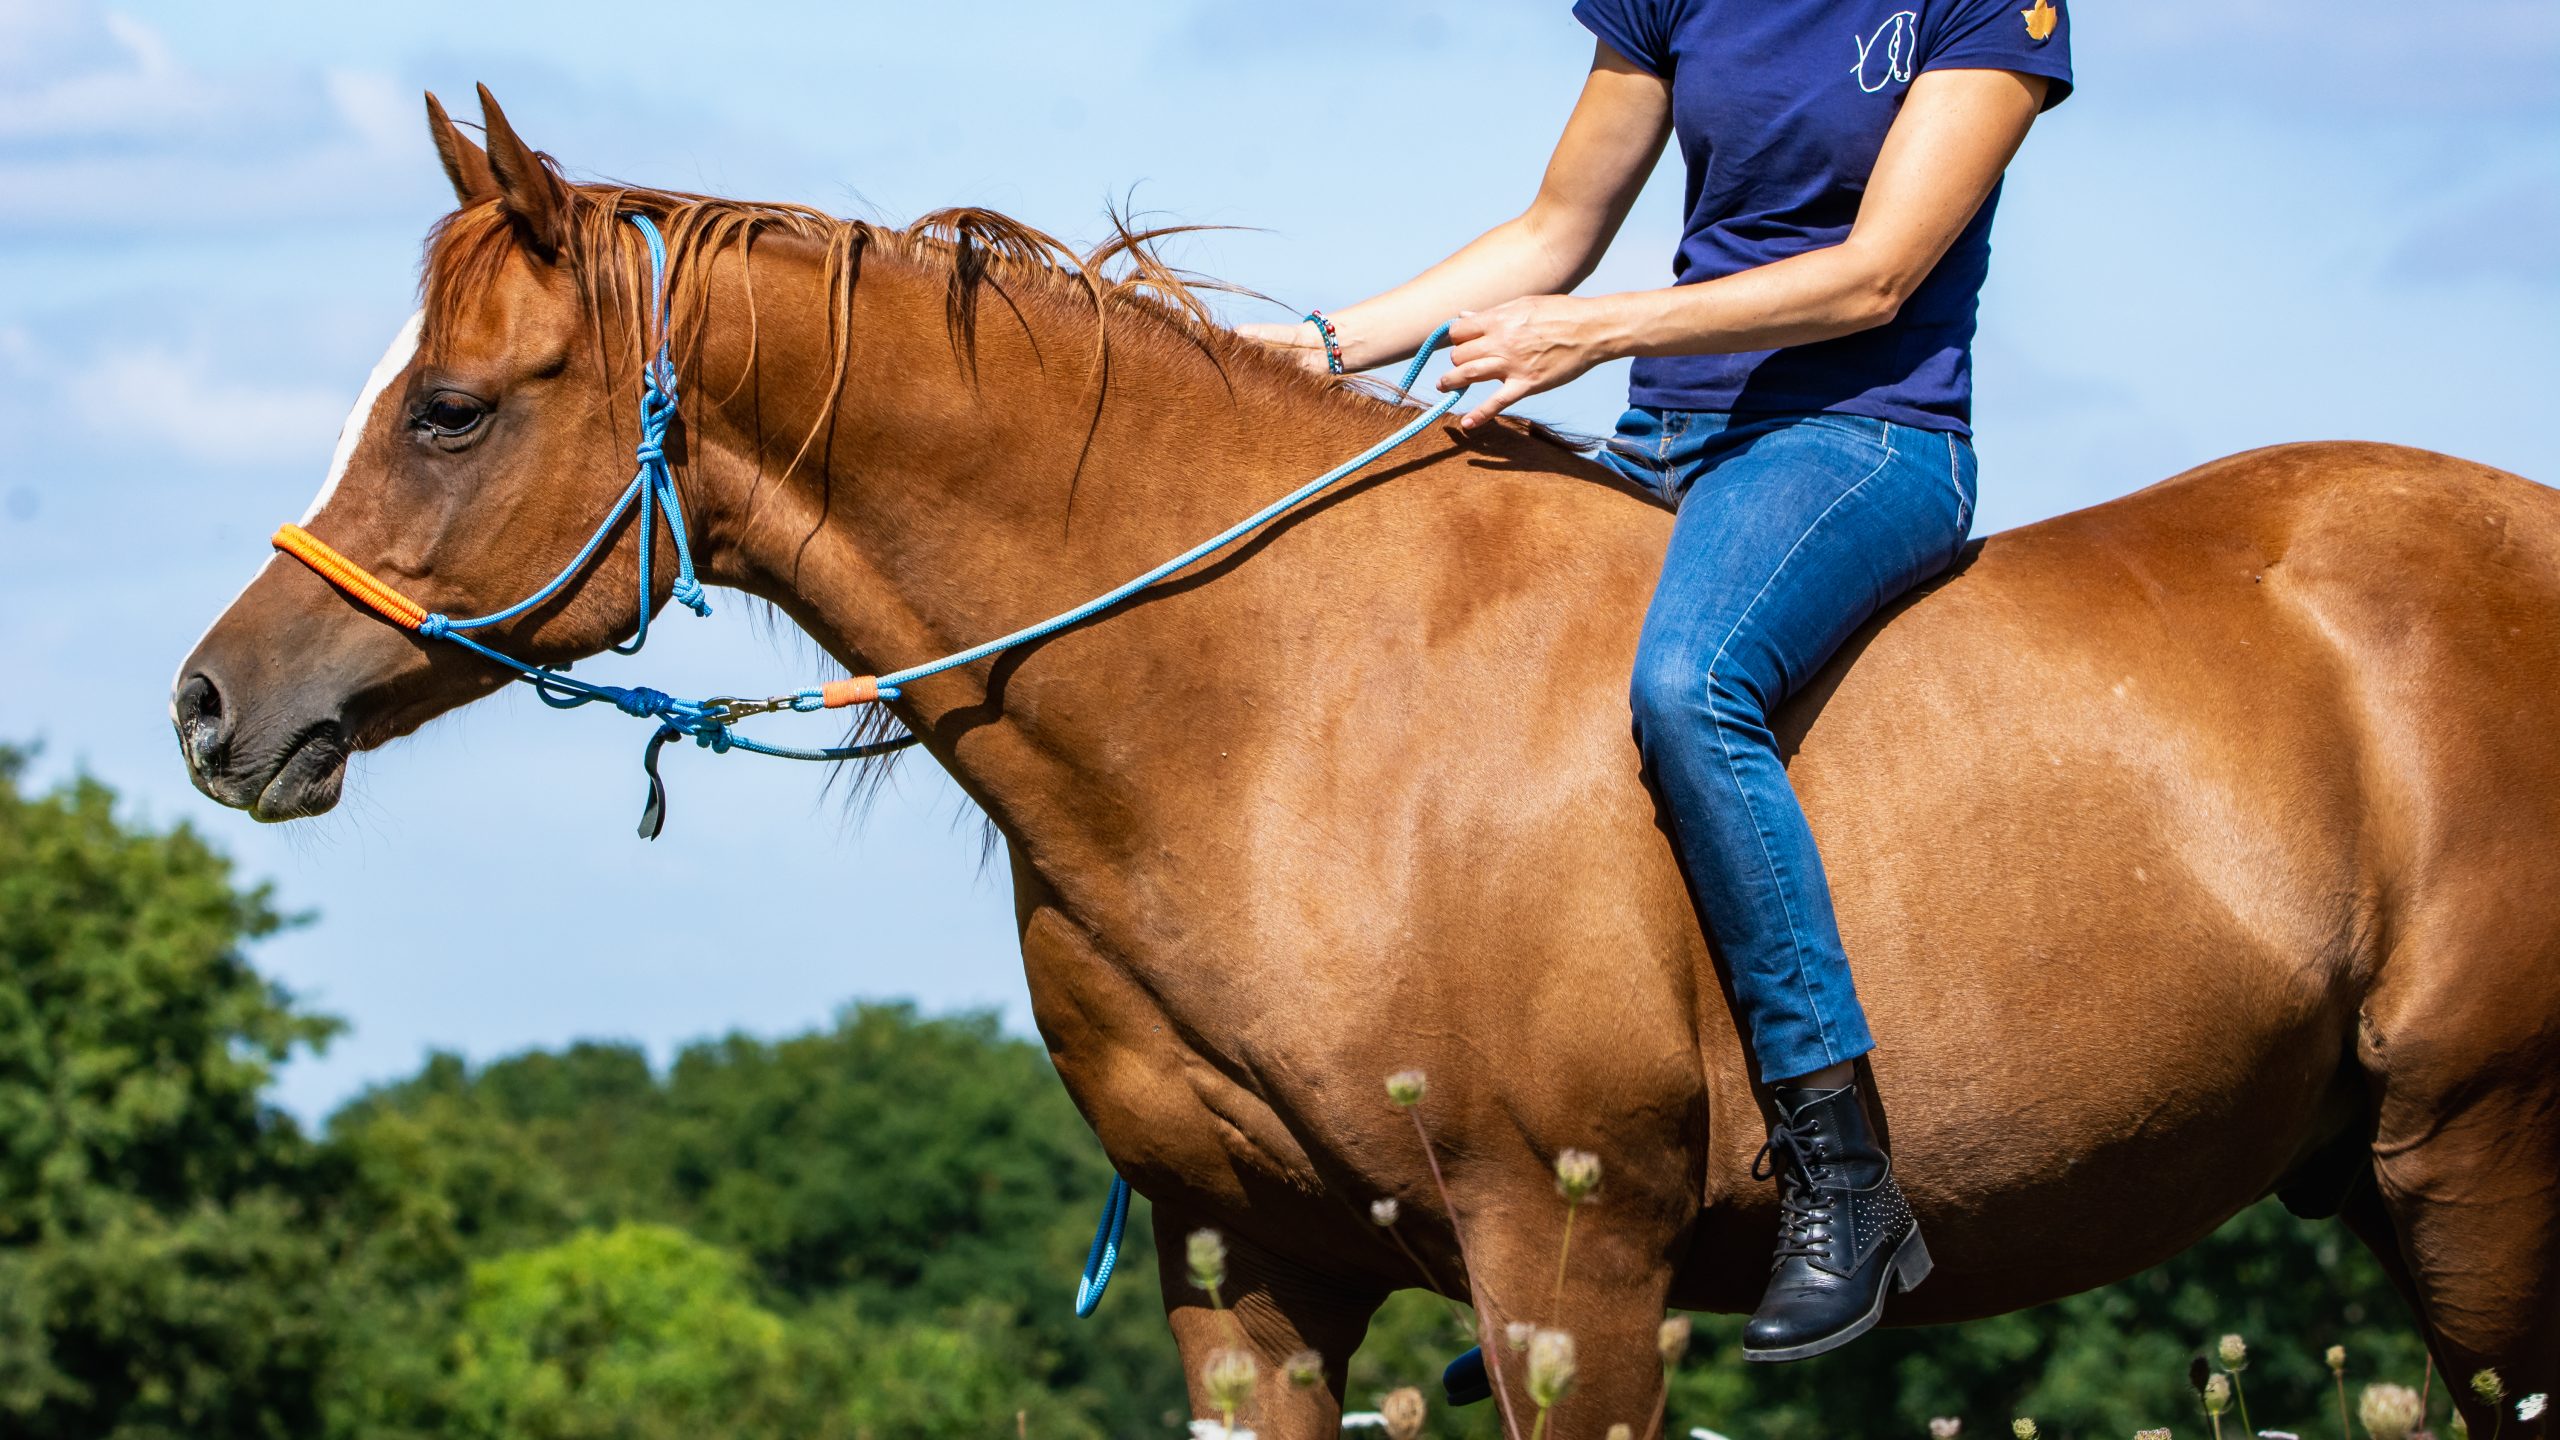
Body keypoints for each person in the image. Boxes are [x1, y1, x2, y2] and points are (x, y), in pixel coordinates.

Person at [1241, 0, 2072, 1370]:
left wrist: (1600, 330)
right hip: (1662, 440)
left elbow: (1874, 277)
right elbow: (1548, 234)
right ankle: (1554, 1207)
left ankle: (1843, 1180)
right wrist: (1326, 349)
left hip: (1857, 442)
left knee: (1692, 687)